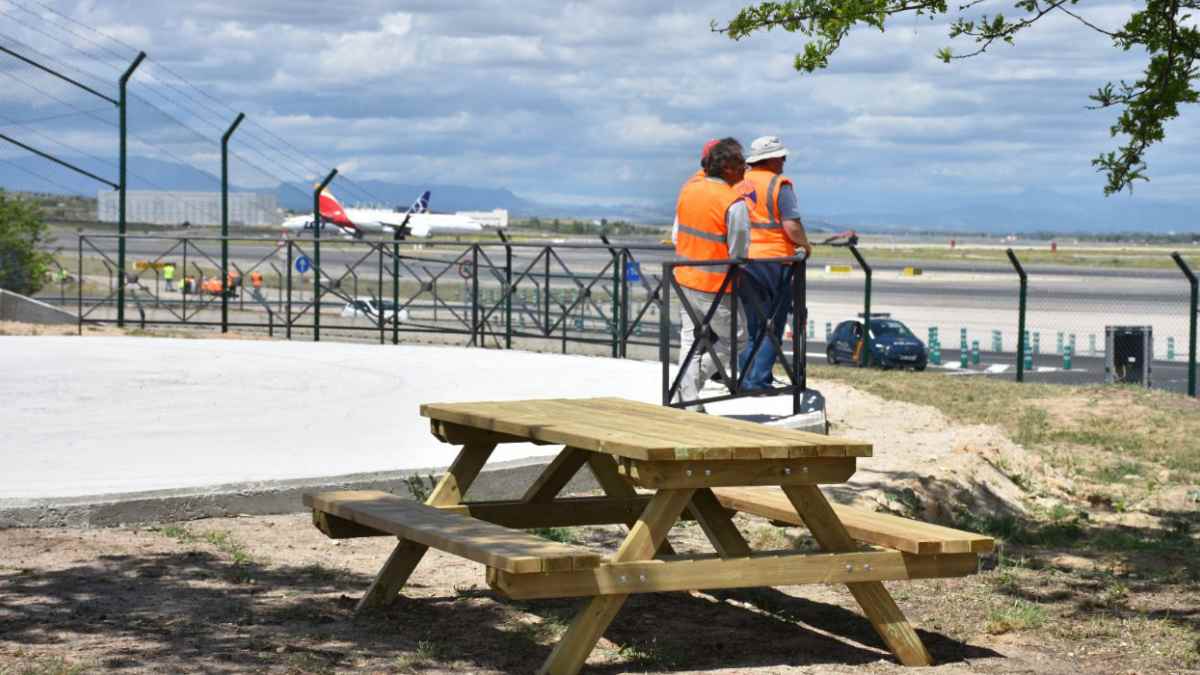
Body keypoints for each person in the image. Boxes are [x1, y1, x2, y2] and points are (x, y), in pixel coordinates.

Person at [673, 137, 751, 411]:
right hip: (715, 283)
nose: (746, 168)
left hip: (683, 276)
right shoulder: (733, 201)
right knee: (737, 339)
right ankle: (692, 384)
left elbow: (676, 234)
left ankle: (689, 398)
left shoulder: (688, 190)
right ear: (728, 167)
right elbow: (738, 249)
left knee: (690, 338)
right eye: (742, 163)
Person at [735, 136, 813, 390]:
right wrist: (806, 245)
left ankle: (744, 377)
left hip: (743, 259)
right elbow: (791, 225)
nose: (784, 161)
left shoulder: (738, 183)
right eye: (781, 157)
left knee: (749, 324)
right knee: (772, 325)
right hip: (775, 260)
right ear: (769, 160)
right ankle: (758, 381)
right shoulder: (780, 185)